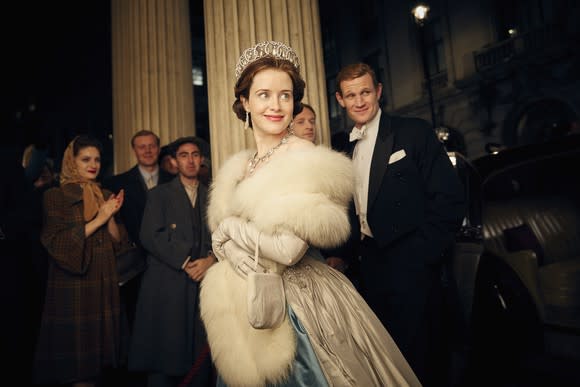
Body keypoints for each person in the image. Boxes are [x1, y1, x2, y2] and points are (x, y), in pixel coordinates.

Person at [199, 40, 420, 387]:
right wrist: (229, 245)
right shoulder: (241, 167)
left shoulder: (303, 156)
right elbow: (222, 246)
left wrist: (229, 230)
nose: (276, 105)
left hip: (301, 306)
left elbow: (288, 250)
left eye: (285, 95)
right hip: (248, 306)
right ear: (244, 102)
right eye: (264, 95)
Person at [334, 62, 466, 386]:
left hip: (413, 265)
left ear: (378, 91)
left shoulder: (413, 132)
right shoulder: (343, 148)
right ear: (340, 100)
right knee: (386, 361)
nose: (360, 101)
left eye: (365, 92)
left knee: (424, 358)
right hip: (369, 268)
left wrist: (422, 257)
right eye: (351, 95)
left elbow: (449, 199)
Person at [33, 135, 128, 387]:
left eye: (96, 159)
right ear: (71, 162)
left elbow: (119, 242)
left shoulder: (105, 192)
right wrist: (100, 217)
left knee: (100, 365)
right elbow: (57, 242)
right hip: (74, 284)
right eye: (85, 159)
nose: (92, 165)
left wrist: (109, 215)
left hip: (104, 281)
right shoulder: (55, 196)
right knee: (77, 367)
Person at [128, 136, 215, 387]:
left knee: (198, 350)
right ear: (174, 162)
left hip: (203, 281)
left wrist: (210, 260)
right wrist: (186, 261)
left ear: (201, 160)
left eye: (195, 155)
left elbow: (224, 235)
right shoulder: (159, 195)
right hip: (167, 282)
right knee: (165, 348)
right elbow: (149, 235)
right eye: (184, 155)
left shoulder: (213, 195)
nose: (190, 160)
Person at [102, 129, 174, 377]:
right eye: (141, 146)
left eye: (152, 145)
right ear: (134, 150)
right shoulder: (115, 184)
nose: (147, 150)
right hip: (134, 267)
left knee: (167, 321)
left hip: (169, 264)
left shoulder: (174, 180)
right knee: (136, 321)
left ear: (158, 147)